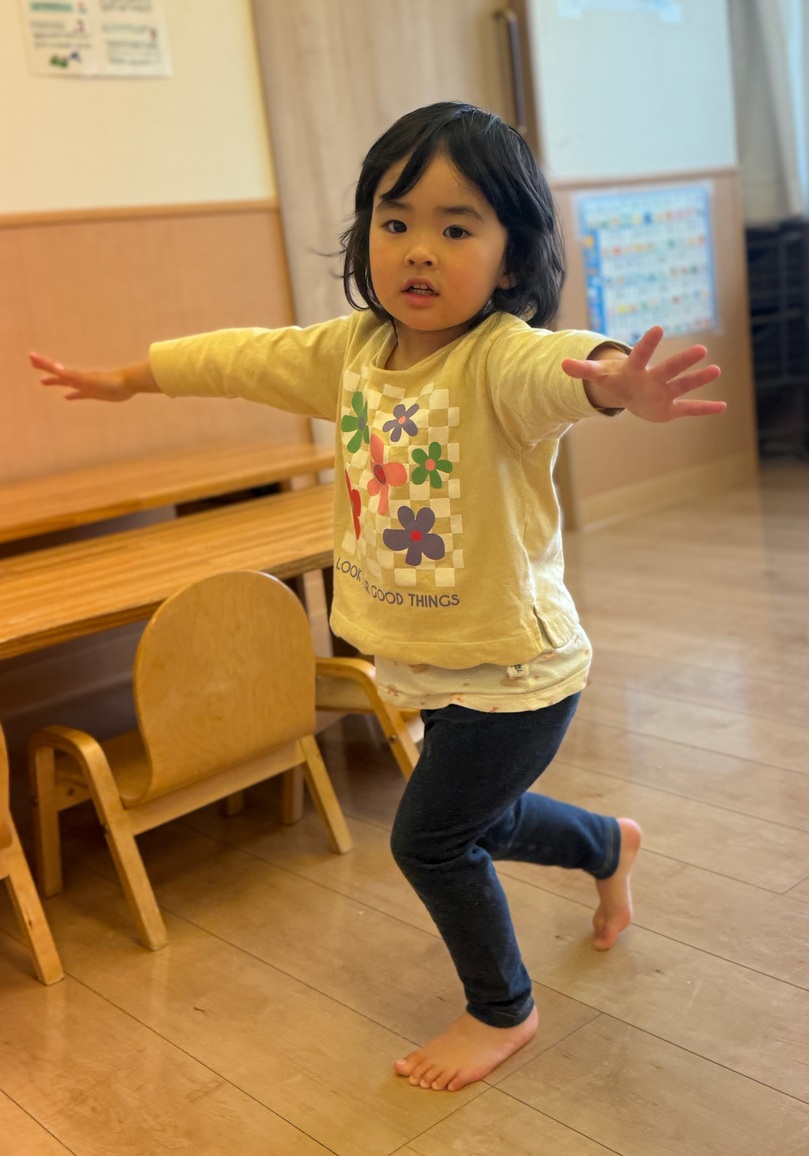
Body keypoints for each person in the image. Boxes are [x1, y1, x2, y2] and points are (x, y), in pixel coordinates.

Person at [30, 102, 724, 1093]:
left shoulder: (498, 360)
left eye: (457, 227)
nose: (418, 249)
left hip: (515, 672)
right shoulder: (353, 354)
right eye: (395, 221)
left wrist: (620, 383)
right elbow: (241, 354)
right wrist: (130, 379)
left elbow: (571, 368)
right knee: (479, 823)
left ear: (512, 260)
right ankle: (606, 844)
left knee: (428, 840)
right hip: (427, 664)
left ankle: (502, 1008)